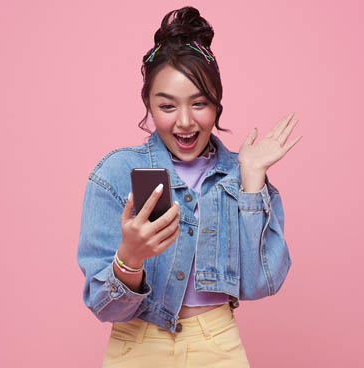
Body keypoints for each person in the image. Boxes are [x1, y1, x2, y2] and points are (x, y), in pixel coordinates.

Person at [76, 6, 301, 367]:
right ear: (148, 103)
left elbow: (262, 283)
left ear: (217, 105)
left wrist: (252, 179)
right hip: (137, 345)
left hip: (217, 346)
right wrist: (130, 258)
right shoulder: (115, 174)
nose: (185, 121)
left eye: (200, 104)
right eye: (167, 105)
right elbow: (107, 308)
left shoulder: (238, 175)